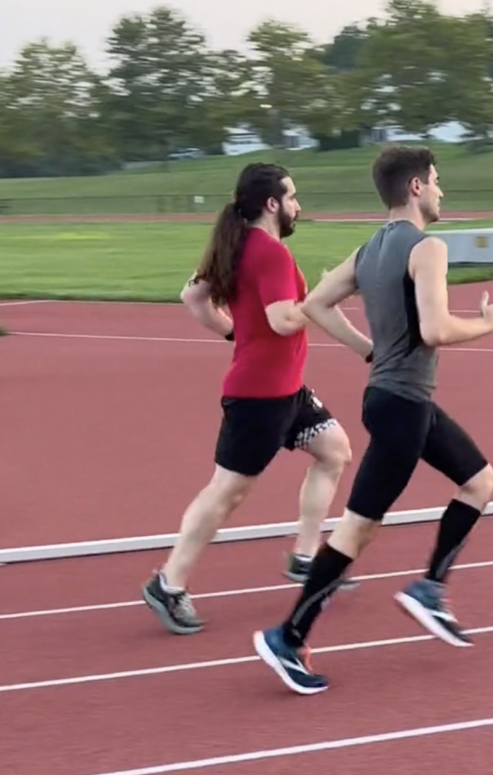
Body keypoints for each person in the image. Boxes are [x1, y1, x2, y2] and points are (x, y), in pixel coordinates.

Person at [252, 145, 493, 694]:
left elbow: (315, 304)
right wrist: (489, 323)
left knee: (480, 481)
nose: (442, 191)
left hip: (396, 400)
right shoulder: (427, 248)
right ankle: (289, 635)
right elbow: (437, 329)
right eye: (437, 181)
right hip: (401, 406)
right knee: (358, 527)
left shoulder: (368, 251)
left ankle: (430, 590)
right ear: (415, 187)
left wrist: (368, 350)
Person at [141, 162, 375, 635]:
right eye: (293, 197)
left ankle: (306, 557)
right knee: (227, 492)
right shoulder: (269, 253)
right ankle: (169, 583)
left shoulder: (236, 245)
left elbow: (193, 296)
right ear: (272, 203)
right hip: (259, 397)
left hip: (286, 389)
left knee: (334, 450)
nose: (298, 206)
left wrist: (233, 333)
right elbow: (284, 320)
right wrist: (326, 295)